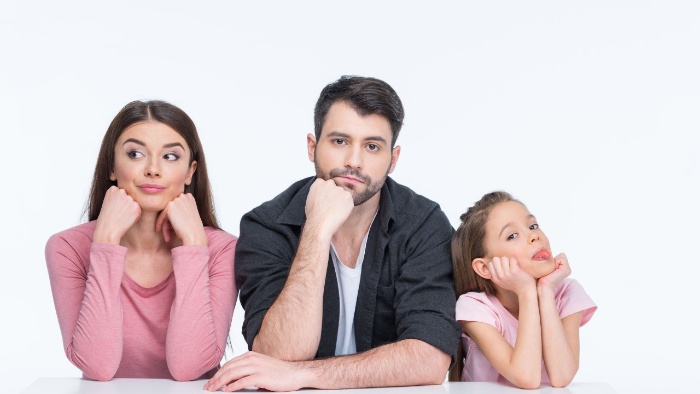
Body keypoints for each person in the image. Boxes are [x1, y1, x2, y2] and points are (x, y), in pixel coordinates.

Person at [205, 76, 461, 392]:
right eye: (339, 141)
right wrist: (317, 230)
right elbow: (278, 353)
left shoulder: (423, 224)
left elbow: (429, 358)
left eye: (372, 146)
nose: (354, 161)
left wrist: (306, 375)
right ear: (313, 147)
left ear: (392, 160)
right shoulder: (267, 226)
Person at [45, 100, 237, 382]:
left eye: (170, 157)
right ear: (112, 166)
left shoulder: (223, 250)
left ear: (190, 172)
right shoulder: (67, 249)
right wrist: (106, 243)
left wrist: (195, 245)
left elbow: (189, 368)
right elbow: (98, 366)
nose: (153, 170)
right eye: (135, 154)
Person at [448, 191, 596, 388]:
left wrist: (544, 291)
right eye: (512, 235)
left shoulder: (566, 292)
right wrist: (526, 291)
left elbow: (562, 376)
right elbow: (526, 377)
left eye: (532, 226)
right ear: (485, 268)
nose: (534, 236)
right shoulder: (475, 307)